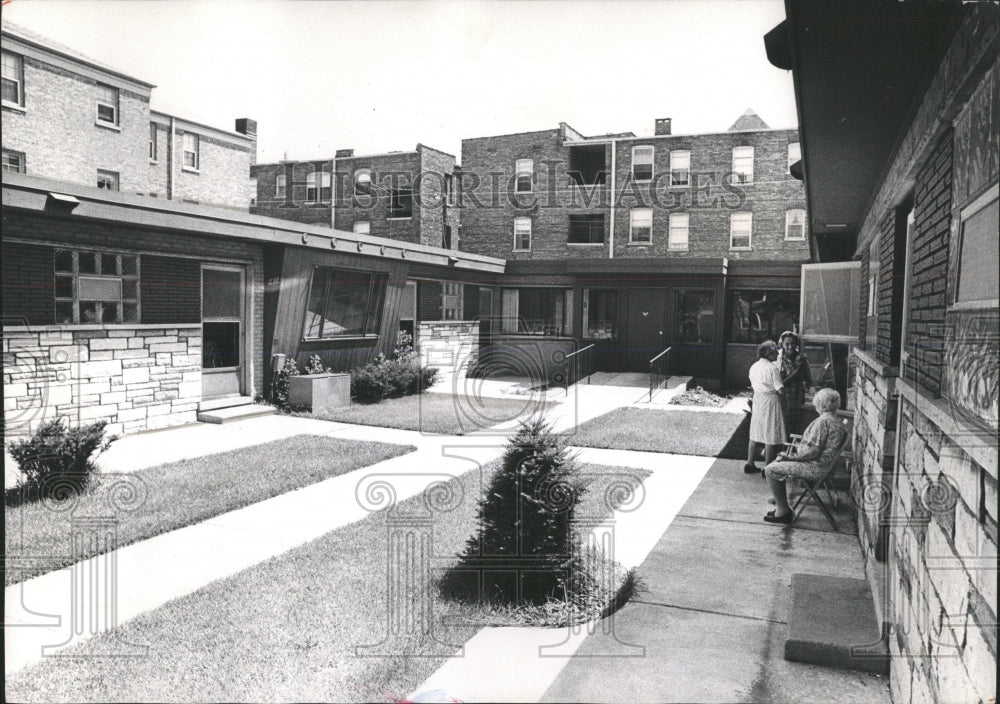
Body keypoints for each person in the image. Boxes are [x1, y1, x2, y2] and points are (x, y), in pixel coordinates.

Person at [762, 387, 847, 524]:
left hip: (815, 467)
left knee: (770, 469)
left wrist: (789, 457)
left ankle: (782, 511)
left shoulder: (823, 422)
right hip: (823, 466)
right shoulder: (835, 420)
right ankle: (780, 504)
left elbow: (812, 451)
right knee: (777, 465)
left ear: (820, 404)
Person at [745, 340, 785, 474]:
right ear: (768, 354)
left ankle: (750, 463)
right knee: (770, 432)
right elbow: (780, 389)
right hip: (770, 400)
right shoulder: (772, 368)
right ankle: (767, 467)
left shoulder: (754, 366)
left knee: (755, 430)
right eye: (775, 352)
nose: (777, 355)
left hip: (758, 399)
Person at [777, 331, 812, 439]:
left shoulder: (801, 359)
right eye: (787, 344)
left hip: (796, 399)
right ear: (782, 344)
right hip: (781, 400)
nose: (790, 347)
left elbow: (808, 380)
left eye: (792, 343)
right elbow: (779, 384)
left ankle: (790, 451)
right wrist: (796, 371)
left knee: (795, 428)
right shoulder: (777, 359)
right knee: (781, 427)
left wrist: (806, 385)